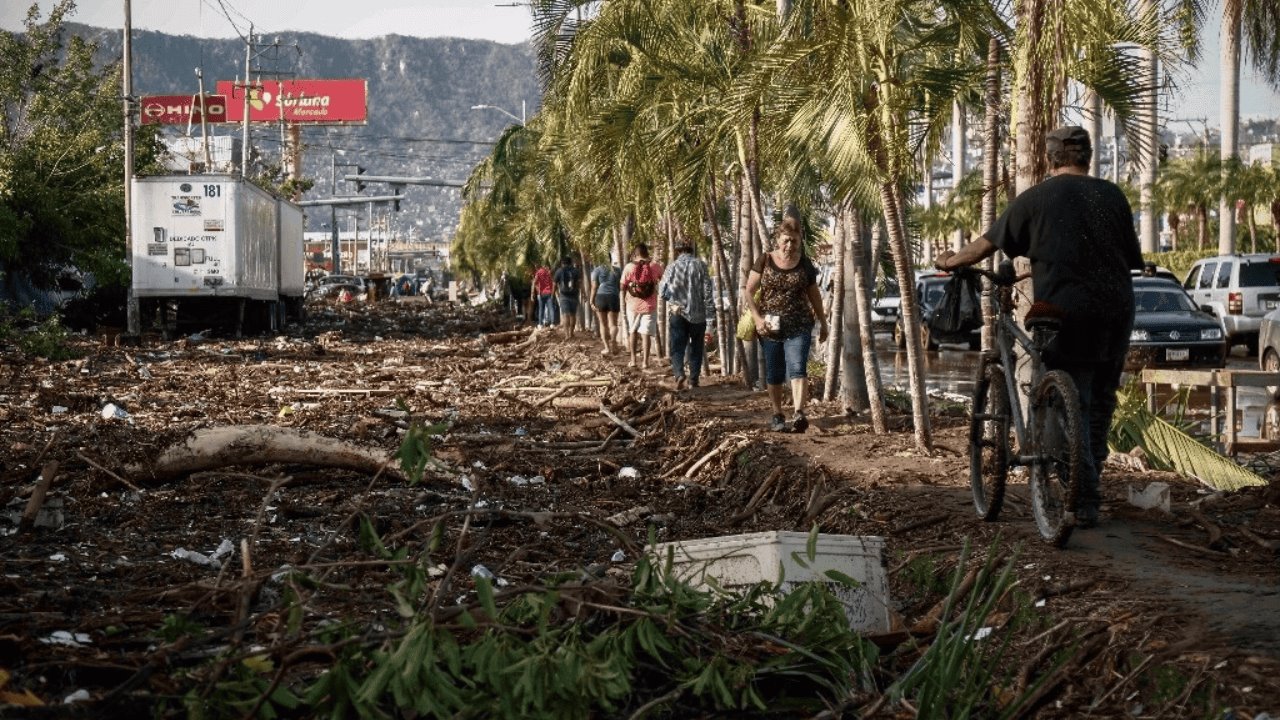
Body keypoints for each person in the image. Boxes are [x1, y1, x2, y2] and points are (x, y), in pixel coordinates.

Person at [935, 125, 1143, 528]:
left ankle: (1080, 498)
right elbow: (1132, 259)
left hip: (1065, 311)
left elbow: (984, 246)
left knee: (1075, 401)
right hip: (1118, 309)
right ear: (1088, 157)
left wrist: (949, 261)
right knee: (1101, 400)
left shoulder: (1037, 198)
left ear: (1051, 159)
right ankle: (1089, 486)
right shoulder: (1112, 196)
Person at [745, 212, 829, 433]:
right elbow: (749, 291)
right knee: (774, 372)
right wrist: (757, 317)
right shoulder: (765, 260)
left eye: (794, 240)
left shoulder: (805, 265)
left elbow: (815, 296)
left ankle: (799, 413)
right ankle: (777, 414)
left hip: (799, 324)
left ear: (800, 241)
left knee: (797, 368)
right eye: (786, 240)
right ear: (778, 240)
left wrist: (823, 322)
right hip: (769, 326)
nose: (789, 245)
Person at [659, 239, 715, 389]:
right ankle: (693, 380)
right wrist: (710, 317)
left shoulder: (672, 267)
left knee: (677, 346)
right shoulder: (701, 265)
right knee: (696, 347)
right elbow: (708, 293)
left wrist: (673, 301)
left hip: (677, 313)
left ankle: (679, 374)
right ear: (692, 250)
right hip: (698, 315)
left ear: (678, 251)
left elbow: (662, 291)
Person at [620, 243, 664, 369]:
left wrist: (624, 298)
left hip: (632, 305)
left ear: (635, 253)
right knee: (646, 334)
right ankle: (645, 362)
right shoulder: (655, 266)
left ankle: (633, 360)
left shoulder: (629, 267)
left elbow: (622, 286)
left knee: (633, 331)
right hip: (650, 305)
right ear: (647, 253)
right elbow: (663, 279)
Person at [591, 255, 623, 355]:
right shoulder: (617, 270)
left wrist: (591, 300)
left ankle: (607, 348)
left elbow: (594, 287)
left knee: (603, 324)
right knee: (613, 324)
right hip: (613, 297)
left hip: (600, 297)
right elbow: (620, 285)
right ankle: (613, 341)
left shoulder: (597, 270)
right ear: (611, 259)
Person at [553, 256, 582, 339]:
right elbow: (580, 283)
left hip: (564, 296)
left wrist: (553, 295)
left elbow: (554, 284)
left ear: (562, 263)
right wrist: (583, 293)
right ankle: (571, 333)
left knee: (565, 315)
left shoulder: (559, 271)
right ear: (571, 263)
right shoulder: (576, 271)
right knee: (573, 315)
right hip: (574, 295)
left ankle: (566, 335)